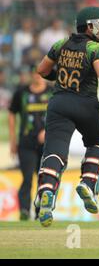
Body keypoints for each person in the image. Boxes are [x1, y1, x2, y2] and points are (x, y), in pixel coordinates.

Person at [34, 6, 99, 227]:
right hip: (85, 105)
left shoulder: (60, 45)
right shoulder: (95, 49)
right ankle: (87, 183)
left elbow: (41, 70)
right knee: (98, 143)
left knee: (54, 152)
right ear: (90, 25)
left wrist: (59, 75)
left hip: (58, 104)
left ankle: (47, 192)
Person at [8, 65, 52, 221]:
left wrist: (48, 131)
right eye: (35, 73)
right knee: (27, 178)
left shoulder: (52, 93)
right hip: (26, 143)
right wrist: (13, 140)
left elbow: (60, 115)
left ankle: (41, 211)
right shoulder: (22, 92)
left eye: (41, 74)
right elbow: (12, 114)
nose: (38, 76)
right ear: (31, 74)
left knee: (44, 179)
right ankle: (24, 211)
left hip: (47, 145)